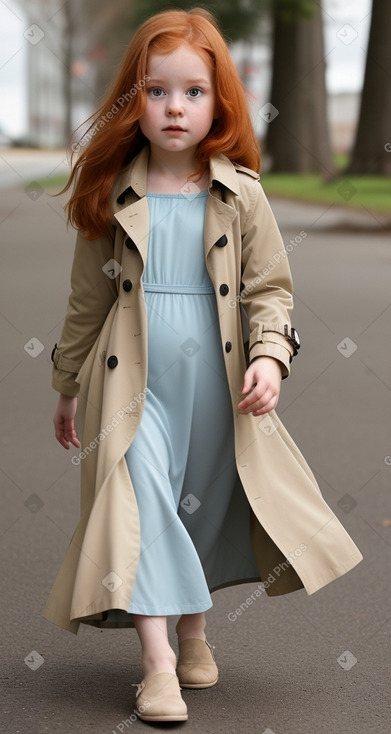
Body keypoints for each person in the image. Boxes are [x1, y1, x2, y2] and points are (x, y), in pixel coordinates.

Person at [44, 7, 363, 724]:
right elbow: (84, 302)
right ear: (134, 99)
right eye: (157, 91)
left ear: (219, 101)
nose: (175, 108)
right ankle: (156, 666)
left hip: (216, 383)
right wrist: (67, 386)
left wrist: (271, 358)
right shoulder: (110, 193)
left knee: (198, 506)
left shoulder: (240, 192)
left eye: (192, 91)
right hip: (132, 382)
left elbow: (270, 290)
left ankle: (193, 632)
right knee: (140, 501)